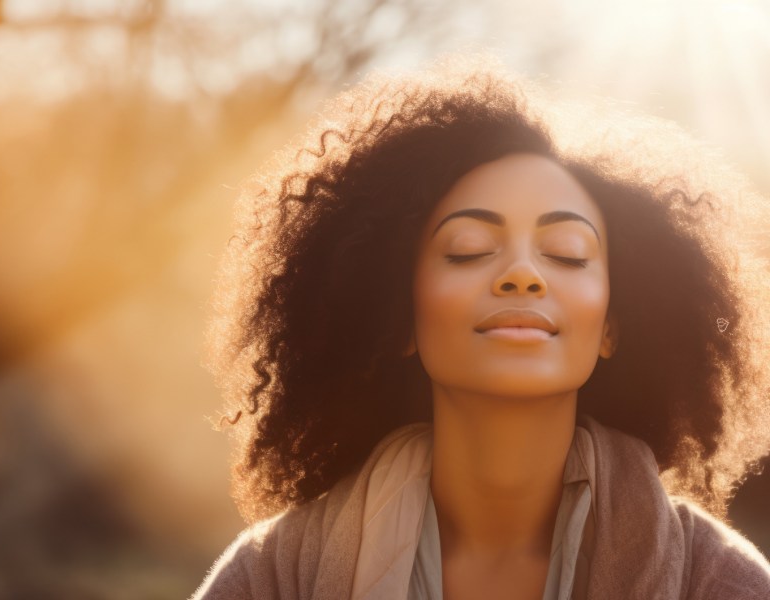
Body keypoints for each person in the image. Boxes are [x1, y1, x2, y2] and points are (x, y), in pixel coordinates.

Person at [193, 57, 770, 599]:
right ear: (400, 320)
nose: (522, 275)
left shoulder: (716, 581)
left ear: (612, 327)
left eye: (567, 253)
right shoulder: (272, 576)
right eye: (468, 249)